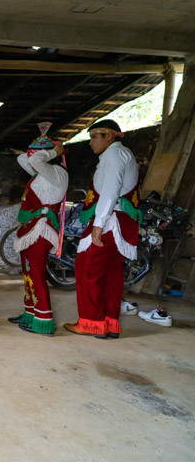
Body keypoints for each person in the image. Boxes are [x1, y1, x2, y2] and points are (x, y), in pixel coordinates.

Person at [64, 119, 140, 338]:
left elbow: (110, 191)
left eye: (94, 137)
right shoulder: (119, 154)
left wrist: (98, 224)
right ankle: (109, 322)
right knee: (111, 272)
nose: (91, 143)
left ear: (109, 135)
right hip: (117, 219)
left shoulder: (115, 155)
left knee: (87, 267)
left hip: (110, 220)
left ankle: (91, 322)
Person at [7, 122, 68, 336]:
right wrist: (40, 148)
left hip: (41, 229)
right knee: (28, 272)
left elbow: (33, 160)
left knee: (37, 272)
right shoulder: (42, 174)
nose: (32, 161)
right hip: (31, 228)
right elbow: (23, 159)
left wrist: (52, 151)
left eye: (38, 155)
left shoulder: (56, 173)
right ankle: (31, 312)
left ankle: (43, 318)